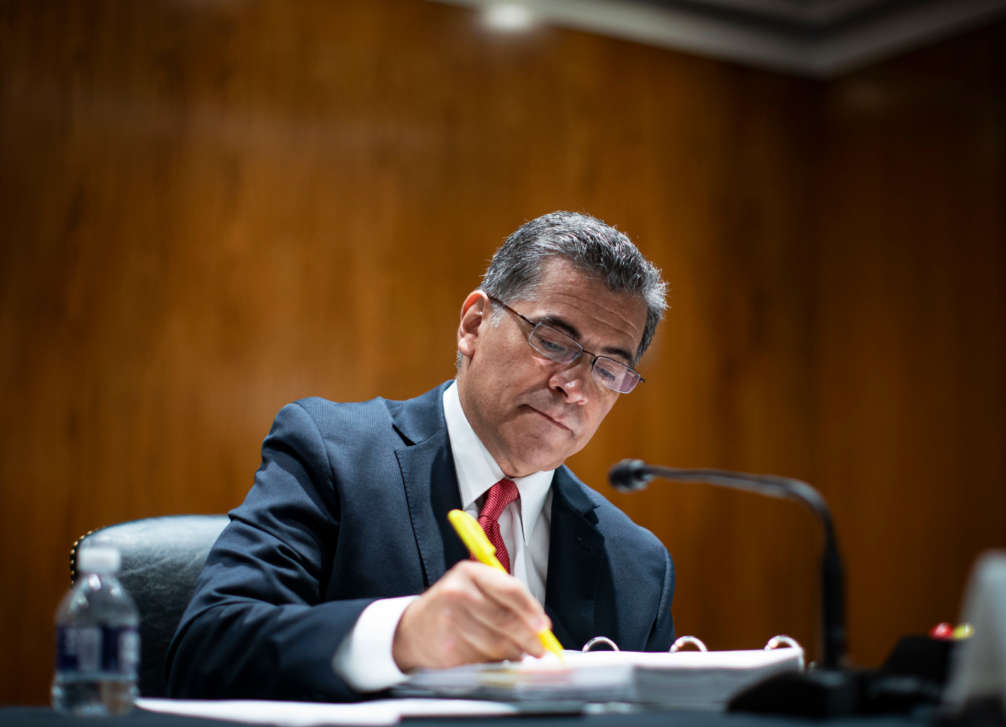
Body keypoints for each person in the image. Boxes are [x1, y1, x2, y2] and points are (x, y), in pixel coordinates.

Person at [166, 211, 674, 700]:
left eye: (608, 369)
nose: (574, 387)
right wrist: (401, 636)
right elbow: (208, 652)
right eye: (555, 341)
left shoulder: (637, 566)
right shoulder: (332, 455)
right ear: (474, 325)